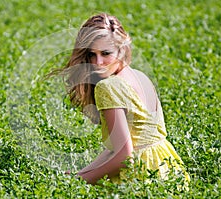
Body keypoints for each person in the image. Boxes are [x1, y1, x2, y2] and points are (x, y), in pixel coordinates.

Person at [58, 13, 190, 185]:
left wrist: (79, 181)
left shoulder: (109, 87)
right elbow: (117, 147)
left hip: (140, 179)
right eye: (92, 54)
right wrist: (81, 172)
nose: (97, 62)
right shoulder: (140, 76)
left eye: (106, 53)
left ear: (121, 49)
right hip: (169, 171)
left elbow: (124, 157)